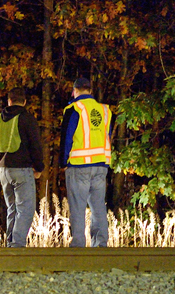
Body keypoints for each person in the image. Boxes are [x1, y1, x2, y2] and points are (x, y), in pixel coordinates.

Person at [59, 77, 113, 247]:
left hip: (78, 165)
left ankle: (78, 245)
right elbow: (108, 136)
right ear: (90, 91)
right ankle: (100, 244)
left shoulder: (74, 108)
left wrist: (63, 162)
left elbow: (66, 138)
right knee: (98, 207)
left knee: (78, 207)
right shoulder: (105, 110)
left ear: (74, 91)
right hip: (100, 165)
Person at [0, 87, 44, 248]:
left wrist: (0, 162)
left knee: (12, 209)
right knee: (25, 209)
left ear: (9, 101)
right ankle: (17, 246)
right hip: (22, 169)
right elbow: (35, 145)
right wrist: (39, 167)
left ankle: (10, 244)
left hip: (3, 171)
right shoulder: (27, 118)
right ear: (24, 102)